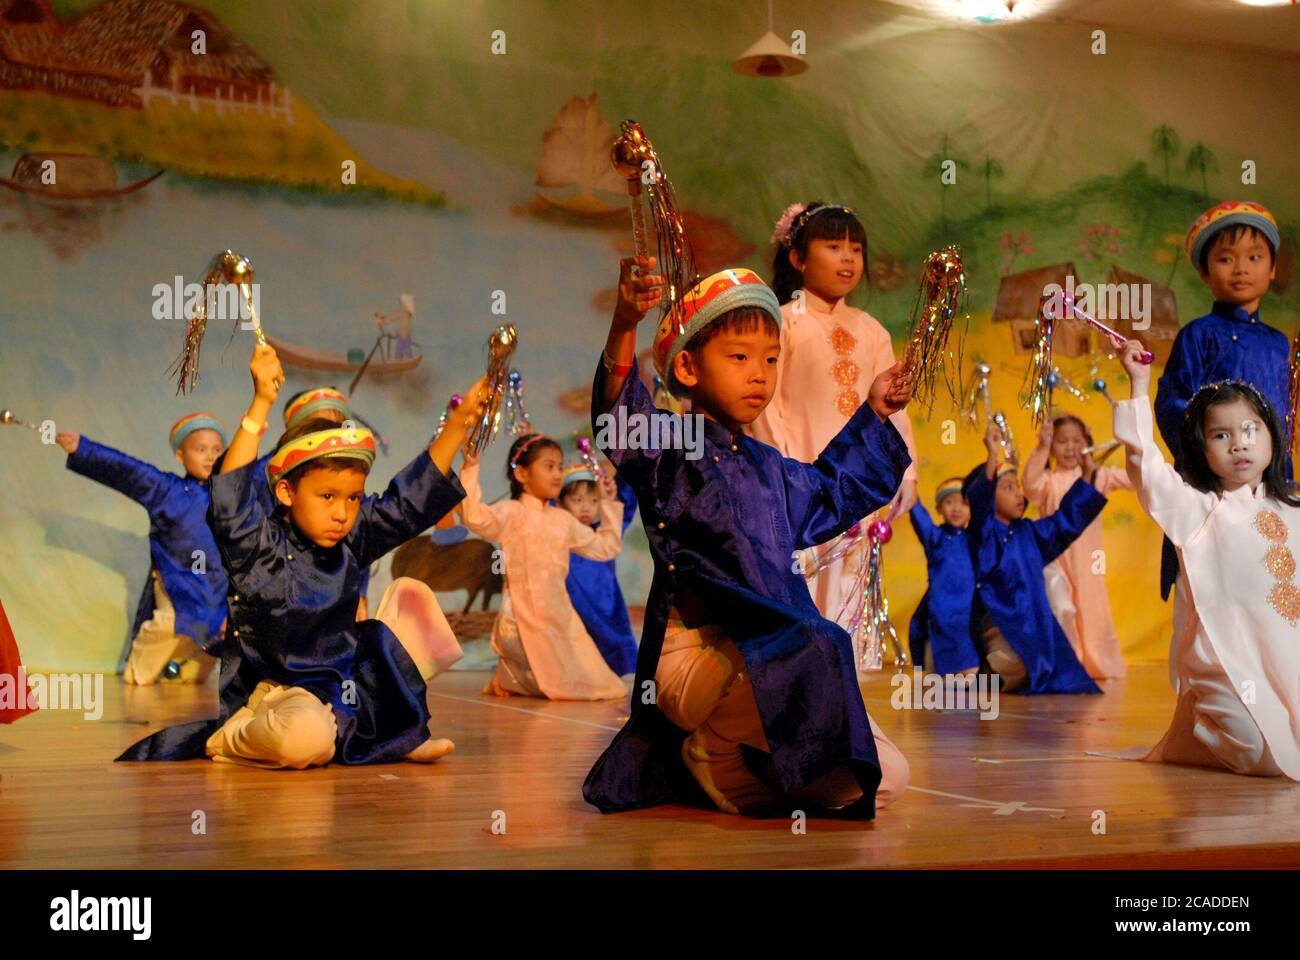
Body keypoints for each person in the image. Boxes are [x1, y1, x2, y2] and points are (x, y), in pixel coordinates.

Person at [584, 257, 913, 819]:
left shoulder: (768, 466)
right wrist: (623, 320)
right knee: (815, 643)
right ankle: (711, 751)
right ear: (687, 367)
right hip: (694, 662)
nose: (759, 374)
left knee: (884, 778)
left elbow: (832, 489)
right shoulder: (669, 442)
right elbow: (616, 415)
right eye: (739, 358)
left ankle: (743, 755)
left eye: (770, 360)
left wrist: (875, 412)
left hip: (770, 647)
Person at [1115, 337, 1298, 780]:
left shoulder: (1293, 508)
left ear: (1273, 436)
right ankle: (1198, 734)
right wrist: (1139, 384)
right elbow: (1145, 464)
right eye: (1222, 434)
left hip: (1285, 663)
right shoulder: (1196, 509)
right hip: (1223, 665)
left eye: (1251, 430)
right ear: (1201, 448)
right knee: (1258, 756)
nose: (1239, 444)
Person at [57, 413, 228, 684]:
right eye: (200, 449)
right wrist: (85, 450)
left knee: (213, 637)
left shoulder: (230, 496)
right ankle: (138, 676)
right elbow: (128, 471)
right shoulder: (166, 490)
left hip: (216, 584)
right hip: (175, 580)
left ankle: (188, 684)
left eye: (217, 450)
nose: (210, 456)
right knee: (169, 623)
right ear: (181, 456)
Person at [458, 435, 628, 700]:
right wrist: (470, 468)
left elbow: (606, 548)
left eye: (559, 467)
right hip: (519, 619)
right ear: (523, 474)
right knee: (562, 684)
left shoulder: (562, 520)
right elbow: (473, 516)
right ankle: (517, 676)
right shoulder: (512, 512)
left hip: (559, 618)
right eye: (549, 467)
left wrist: (607, 504)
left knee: (605, 686)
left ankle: (518, 678)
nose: (557, 474)